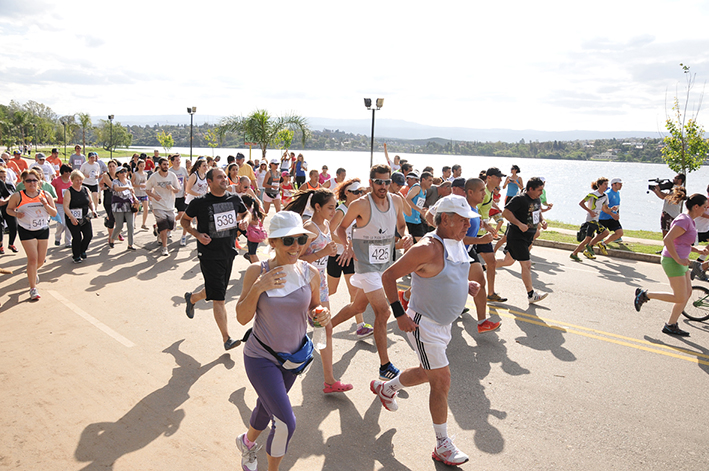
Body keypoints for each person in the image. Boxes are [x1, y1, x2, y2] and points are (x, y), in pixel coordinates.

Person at [374, 195, 478, 466]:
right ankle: (442, 444)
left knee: (426, 371)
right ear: (446, 219)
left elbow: (444, 274)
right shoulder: (426, 248)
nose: (468, 225)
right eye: (463, 220)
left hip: (444, 326)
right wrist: (399, 316)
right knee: (441, 380)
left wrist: (466, 285)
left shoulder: (455, 241)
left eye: (469, 220)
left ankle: (388, 389)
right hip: (423, 325)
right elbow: (388, 276)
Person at [235, 211, 329, 471]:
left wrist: (320, 316)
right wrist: (258, 287)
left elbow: (314, 310)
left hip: (292, 360)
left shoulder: (310, 273)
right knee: (286, 422)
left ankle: (246, 442)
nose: (296, 246)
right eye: (288, 241)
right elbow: (242, 318)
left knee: (267, 408)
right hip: (260, 357)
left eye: (300, 239)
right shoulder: (258, 270)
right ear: (273, 242)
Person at [329, 164, 413, 380]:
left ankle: (326, 327)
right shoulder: (360, 204)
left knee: (358, 305)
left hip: (385, 264)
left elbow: (402, 226)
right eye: (378, 182)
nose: (383, 186)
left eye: (386, 182)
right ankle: (385, 366)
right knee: (383, 312)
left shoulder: (395, 201)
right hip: (366, 264)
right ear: (371, 182)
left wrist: (405, 237)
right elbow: (340, 228)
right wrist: (347, 245)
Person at [286, 188, 354, 393]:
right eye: (330, 207)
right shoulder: (309, 227)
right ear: (317, 207)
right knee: (302, 332)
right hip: (304, 283)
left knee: (325, 328)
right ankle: (279, 368)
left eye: (335, 207)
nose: (334, 211)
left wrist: (339, 248)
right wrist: (323, 252)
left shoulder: (324, 224)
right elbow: (294, 259)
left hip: (320, 282)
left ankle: (329, 381)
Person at [182, 168, 250, 350]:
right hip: (209, 253)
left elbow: (246, 213)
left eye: (224, 177)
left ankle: (192, 298)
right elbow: (184, 221)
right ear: (209, 182)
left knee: (215, 289)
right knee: (219, 297)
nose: (224, 179)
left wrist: (245, 220)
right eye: (219, 177)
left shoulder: (234, 199)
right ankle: (226, 338)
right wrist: (197, 234)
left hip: (228, 252)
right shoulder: (199, 202)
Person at [634, 192, 708, 337]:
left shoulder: (690, 221)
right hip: (673, 261)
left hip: (681, 260)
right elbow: (668, 240)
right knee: (680, 297)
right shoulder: (684, 220)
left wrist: (696, 249)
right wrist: (679, 259)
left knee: (687, 293)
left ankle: (671, 325)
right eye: (705, 207)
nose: (706, 210)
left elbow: (680, 242)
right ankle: (645, 295)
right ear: (696, 206)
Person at [328, 179, 374, 339]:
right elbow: (330, 232)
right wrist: (346, 244)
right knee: (330, 290)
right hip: (337, 256)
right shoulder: (341, 210)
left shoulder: (357, 209)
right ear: (346, 193)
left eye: (360, 192)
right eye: (356, 192)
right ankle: (309, 308)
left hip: (350, 256)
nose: (359, 194)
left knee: (353, 291)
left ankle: (360, 326)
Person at [6, 169, 57, 300]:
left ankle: (32, 271)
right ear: (23, 182)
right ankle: (33, 288)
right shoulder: (18, 196)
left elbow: (54, 213)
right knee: (33, 259)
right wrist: (17, 214)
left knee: (40, 260)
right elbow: (9, 209)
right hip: (26, 229)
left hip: (43, 229)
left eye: (34, 180)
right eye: (28, 180)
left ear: (39, 181)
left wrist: (45, 204)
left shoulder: (46, 195)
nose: (32, 183)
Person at [497, 177, 549, 303]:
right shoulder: (519, 199)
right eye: (539, 190)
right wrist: (519, 224)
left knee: (508, 261)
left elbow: (538, 210)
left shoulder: (536, 198)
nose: (541, 193)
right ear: (530, 189)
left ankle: (484, 267)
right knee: (527, 264)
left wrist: (542, 220)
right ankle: (531, 294)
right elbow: (506, 213)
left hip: (528, 236)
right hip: (517, 236)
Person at [477, 168, 506, 303]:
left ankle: (491, 293)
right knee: (464, 268)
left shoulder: (489, 192)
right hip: (475, 234)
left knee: (492, 262)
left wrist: (489, 226)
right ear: (489, 177)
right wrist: (487, 226)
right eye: (498, 177)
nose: (500, 179)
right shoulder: (483, 193)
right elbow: (474, 212)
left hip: (483, 234)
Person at [569, 177, 613, 261]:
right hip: (590, 219)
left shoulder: (605, 196)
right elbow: (581, 203)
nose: (606, 186)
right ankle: (590, 246)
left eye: (607, 184)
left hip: (596, 219)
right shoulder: (592, 194)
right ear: (599, 185)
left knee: (587, 239)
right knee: (605, 232)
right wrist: (590, 211)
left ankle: (574, 253)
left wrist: (612, 209)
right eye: (605, 184)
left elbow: (605, 208)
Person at [145, 158, 180, 256]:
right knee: (164, 228)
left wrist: (172, 188)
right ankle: (165, 248)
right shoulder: (154, 177)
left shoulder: (172, 176)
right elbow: (147, 190)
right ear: (159, 165)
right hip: (158, 205)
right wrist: (154, 196)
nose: (166, 166)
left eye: (167, 165)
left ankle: (158, 230)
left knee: (172, 226)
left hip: (170, 205)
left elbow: (178, 189)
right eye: (164, 165)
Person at [63, 170, 97, 263]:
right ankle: (76, 255)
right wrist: (71, 217)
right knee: (77, 237)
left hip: (85, 217)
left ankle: (82, 250)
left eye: (80, 180)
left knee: (88, 236)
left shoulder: (85, 189)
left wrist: (93, 210)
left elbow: (90, 202)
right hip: (72, 217)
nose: (79, 182)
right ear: (72, 180)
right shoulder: (69, 191)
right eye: (76, 180)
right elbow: (65, 206)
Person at [109, 167, 137, 250]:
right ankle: (112, 238)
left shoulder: (128, 181)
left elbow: (132, 192)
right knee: (119, 226)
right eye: (121, 172)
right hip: (118, 205)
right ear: (117, 174)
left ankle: (130, 244)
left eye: (125, 171)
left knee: (131, 225)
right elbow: (116, 188)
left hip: (128, 205)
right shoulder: (115, 181)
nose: (123, 173)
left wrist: (134, 198)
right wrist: (127, 188)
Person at [653, 173, 686, 238]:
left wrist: (657, 191)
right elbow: (663, 196)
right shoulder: (672, 188)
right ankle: (666, 247)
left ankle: (671, 247)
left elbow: (667, 197)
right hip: (666, 212)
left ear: (680, 180)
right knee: (664, 232)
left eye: (675, 178)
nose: (673, 179)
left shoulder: (680, 190)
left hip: (672, 214)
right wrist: (656, 190)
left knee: (670, 234)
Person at [404, 171, 433, 242]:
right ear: (423, 180)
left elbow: (417, 205)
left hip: (416, 220)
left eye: (432, 181)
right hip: (408, 219)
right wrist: (419, 210)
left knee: (413, 243)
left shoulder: (425, 192)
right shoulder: (417, 187)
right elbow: (407, 199)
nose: (431, 183)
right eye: (429, 180)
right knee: (420, 242)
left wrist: (424, 214)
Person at [168, 154, 189, 246]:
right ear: (172, 161)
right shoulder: (169, 171)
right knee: (171, 215)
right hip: (171, 196)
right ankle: (169, 227)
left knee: (181, 214)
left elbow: (185, 181)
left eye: (179, 160)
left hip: (181, 196)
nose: (178, 162)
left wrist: (186, 191)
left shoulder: (183, 169)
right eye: (176, 160)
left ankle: (173, 223)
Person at [51, 165, 74, 248]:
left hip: (69, 205)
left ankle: (68, 242)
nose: (68, 174)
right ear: (62, 172)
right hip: (59, 204)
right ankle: (57, 237)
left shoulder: (72, 181)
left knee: (69, 223)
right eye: (66, 172)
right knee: (62, 223)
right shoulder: (56, 181)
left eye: (69, 172)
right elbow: (51, 191)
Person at [599, 178, 623, 246]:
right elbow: (602, 207)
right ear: (613, 184)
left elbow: (617, 205)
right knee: (600, 236)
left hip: (612, 218)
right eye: (619, 184)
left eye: (621, 184)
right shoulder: (608, 194)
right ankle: (589, 247)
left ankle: (603, 244)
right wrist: (612, 213)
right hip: (603, 217)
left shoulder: (618, 193)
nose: (621, 185)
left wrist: (617, 214)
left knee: (620, 233)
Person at [0, 166, 19, 254]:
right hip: (0, 209)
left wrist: (5, 201)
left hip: (9, 207)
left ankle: (11, 244)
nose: (3, 179)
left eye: (4, 176)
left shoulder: (9, 184)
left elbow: (12, 195)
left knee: (14, 226)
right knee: (1, 227)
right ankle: (0, 245)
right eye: (1, 177)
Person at [99, 160, 119, 245]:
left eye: (113, 166)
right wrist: (106, 188)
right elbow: (112, 185)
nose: (111, 168)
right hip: (108, 200)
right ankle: (111, 238)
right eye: (110, 166)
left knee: (117, 219)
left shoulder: (119, 175)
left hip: (118, 200)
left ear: (116, 166)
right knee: (112, 219)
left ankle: (108, 221)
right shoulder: (105, 175)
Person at [131, 159, 150, 230]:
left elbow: (147, 182)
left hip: (144, 193)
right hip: (137, 193)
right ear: (138, 166)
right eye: (140, 166)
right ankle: (133, 222)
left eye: (143, 166)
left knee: (146, 209)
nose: (142, 167)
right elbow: (132, 183)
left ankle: (144, 223)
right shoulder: (135, 174)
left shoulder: (146, 174)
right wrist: (139, 186)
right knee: (136, 209)